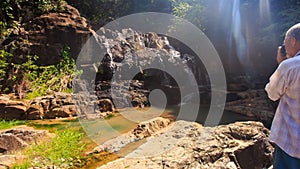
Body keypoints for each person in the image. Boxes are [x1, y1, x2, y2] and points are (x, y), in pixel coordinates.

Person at [265, 23, 300, 169]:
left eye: (285, 41)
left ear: (293, 41)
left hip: (290, 143)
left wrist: (281, 64)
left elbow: (272, 93)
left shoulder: (290, 66)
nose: (284, 45)